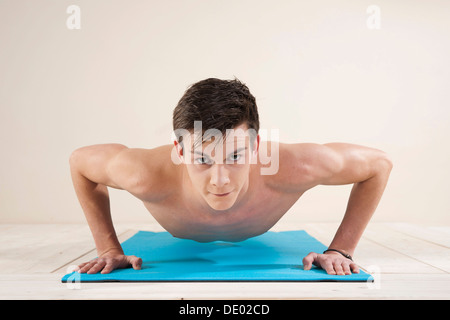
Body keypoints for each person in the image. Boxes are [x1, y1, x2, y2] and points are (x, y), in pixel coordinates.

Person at [70, 78, 392, 276]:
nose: (220, 180)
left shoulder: (297, 167)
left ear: (255, 146)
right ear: (179, 151)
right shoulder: (144, 175)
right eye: (202, 160)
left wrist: (341, 249)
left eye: (235, 156)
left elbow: (378, 165)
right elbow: (80, 163)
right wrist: (108, 248)